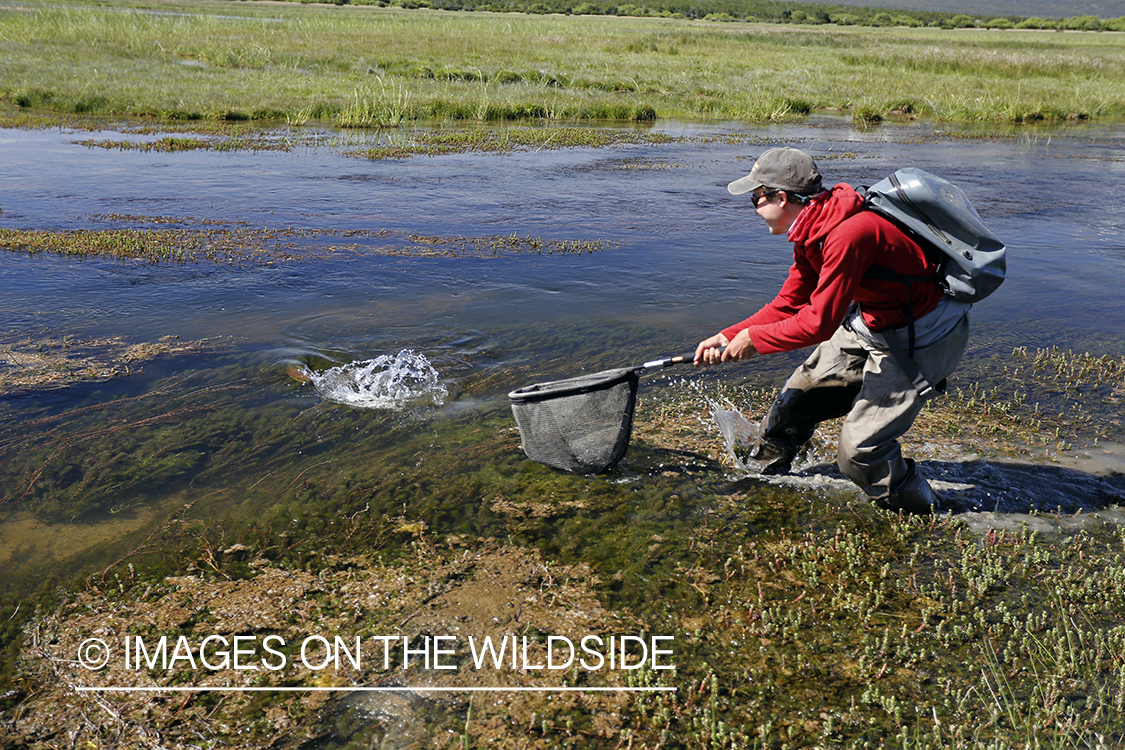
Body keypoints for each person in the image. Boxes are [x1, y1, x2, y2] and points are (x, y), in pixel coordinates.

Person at [694, 147, 970, 514]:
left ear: (781, 197)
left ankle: (927, 514)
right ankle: (764, 482)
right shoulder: (811, 230)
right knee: (795, 400)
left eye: (755, 199)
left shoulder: (849, 233)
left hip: (922, 336)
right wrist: (730, 334)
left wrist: (754, 341)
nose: (754, 207)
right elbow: (790, 303)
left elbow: (819, 323)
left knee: (860, 453)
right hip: (872, 322)